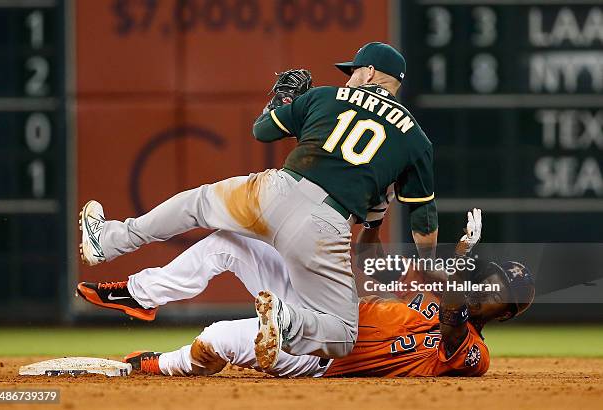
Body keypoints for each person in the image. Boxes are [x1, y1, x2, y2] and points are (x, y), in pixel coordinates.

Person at [78, 42, 438, 370]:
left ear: (370, 72)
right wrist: (430, 266)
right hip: (325, 226)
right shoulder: (415, 140)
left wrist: (280, 102)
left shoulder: (328, 97)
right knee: (343, 334)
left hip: (275, 190)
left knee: (197, 203)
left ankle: (109, 241)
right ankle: (282, 320)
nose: (349, 78)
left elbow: (263, 130)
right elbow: (422, 220)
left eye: (354, 71)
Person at [79, 209, 535, 378]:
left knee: (215, 337)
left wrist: (459, 257)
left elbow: (454, 324)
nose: (489, 286)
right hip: (327, 309)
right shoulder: (430, 290)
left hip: (317, 355)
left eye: (500, 290)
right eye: (491, 277)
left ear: (506, 314)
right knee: (229, 242)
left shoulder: (475, 354)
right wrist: (374, 219)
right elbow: (366, 262)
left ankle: (157, 365)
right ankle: (142, 295)